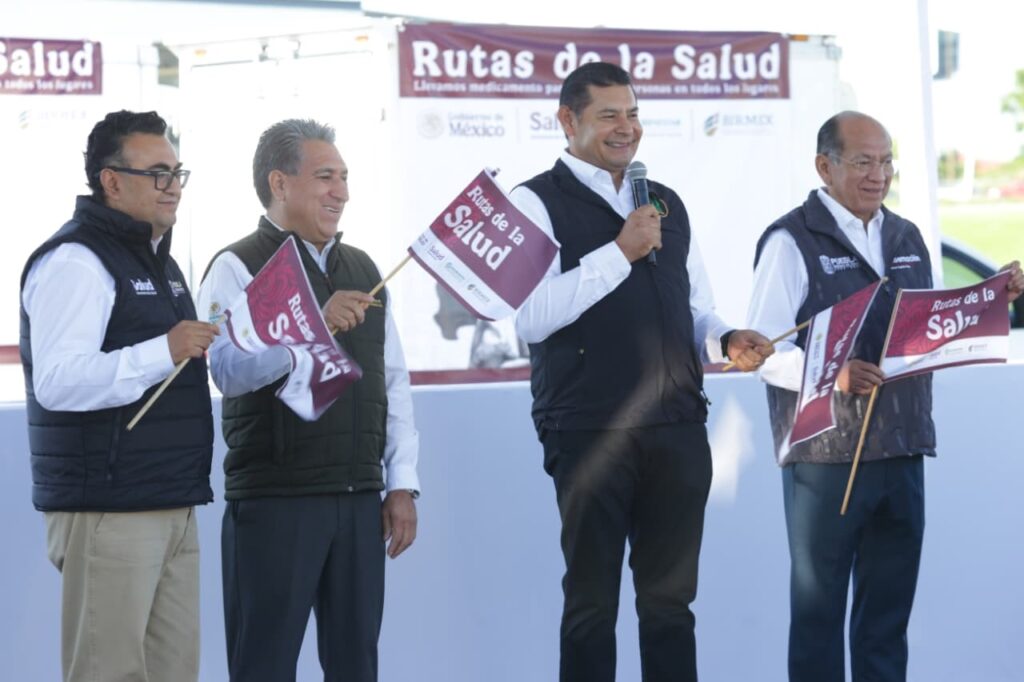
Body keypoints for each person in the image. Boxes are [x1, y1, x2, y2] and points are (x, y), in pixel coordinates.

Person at [510, 62, 773, 682]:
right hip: (589, 430)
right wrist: (619, 253)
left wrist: (727, 338)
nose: (626, 128)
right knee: (591, 605)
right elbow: (530, 318)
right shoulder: (534, 201)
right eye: (609, 115)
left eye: (632, 114)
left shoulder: (664, 201)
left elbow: (695, 306)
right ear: (567, 120)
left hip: (675, 425)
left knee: (670, 607)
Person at [746, 110, 1024, 682]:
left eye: (887, 161)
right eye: (863, 162)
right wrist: (832, 376)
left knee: (886, 625)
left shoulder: (906, 235)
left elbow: (926, 329)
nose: (879, 175)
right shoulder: (789, 240)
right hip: (826, 460)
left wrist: (991, 297)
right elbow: (761, 349)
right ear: (824, 167)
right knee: (819, 623)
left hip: (901, 448)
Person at [197, 118, 420, 682]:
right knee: (264, 666)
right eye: (325, 177)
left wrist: (401, 483)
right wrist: (311, 329)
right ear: (279, 183)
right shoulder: (236, 265)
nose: (340, 192)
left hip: (358, 499)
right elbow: (225, 371)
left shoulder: (365, 269)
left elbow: (392, 382)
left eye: (344, 177)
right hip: (276, 501)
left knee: (356, 666)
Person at [19, 110, 218, 682]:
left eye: (177, 172)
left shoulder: (161, 261)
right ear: (111, 180)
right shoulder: (76, 261)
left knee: (175, 672)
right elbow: (58, 381)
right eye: (157, 173)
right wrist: (164, 350)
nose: (173, 186)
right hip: (109, 506)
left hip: (171, 500)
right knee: (107, 672)